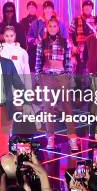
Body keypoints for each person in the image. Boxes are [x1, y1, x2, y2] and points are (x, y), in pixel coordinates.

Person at [39, 17, 78, 150]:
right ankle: (50, 138)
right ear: (47, 28)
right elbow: (38, 62)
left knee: (67, 108)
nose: (52, 28)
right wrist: (39, 79)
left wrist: (69, 77)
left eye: (54, 26)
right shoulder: (42, 43)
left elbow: (68, 62)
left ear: (58, 28)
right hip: (47, 78)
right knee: (48, 108)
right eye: (50, 26)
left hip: (62, 77)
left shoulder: (64, 42)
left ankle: (72, 138)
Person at [69, 0, 96, 74]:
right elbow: (69, 35)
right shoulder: (76, 20)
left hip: (92, 52)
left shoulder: (95, 20)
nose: (87, 8)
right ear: (82, 8)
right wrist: (73, 47)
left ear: (92, 8)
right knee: (79, 76)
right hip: (79, 52)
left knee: (92, 76)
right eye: (85, 6)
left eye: (89, 6)